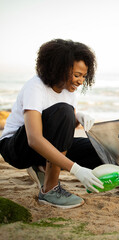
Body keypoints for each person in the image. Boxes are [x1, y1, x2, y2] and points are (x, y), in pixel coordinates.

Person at [0, 39, 104, 209]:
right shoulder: (36, 87)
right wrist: (77, 170)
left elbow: (64, 129)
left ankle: (41, 166)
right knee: (64, 111)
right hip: (17, 148)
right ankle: (49, 190)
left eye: (84, 76)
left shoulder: (69, 92)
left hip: (42, 147)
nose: (80, 81)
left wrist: (79, 119)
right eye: (77, 75)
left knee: (97, 149)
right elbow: (34, 139)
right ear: (60, 69)